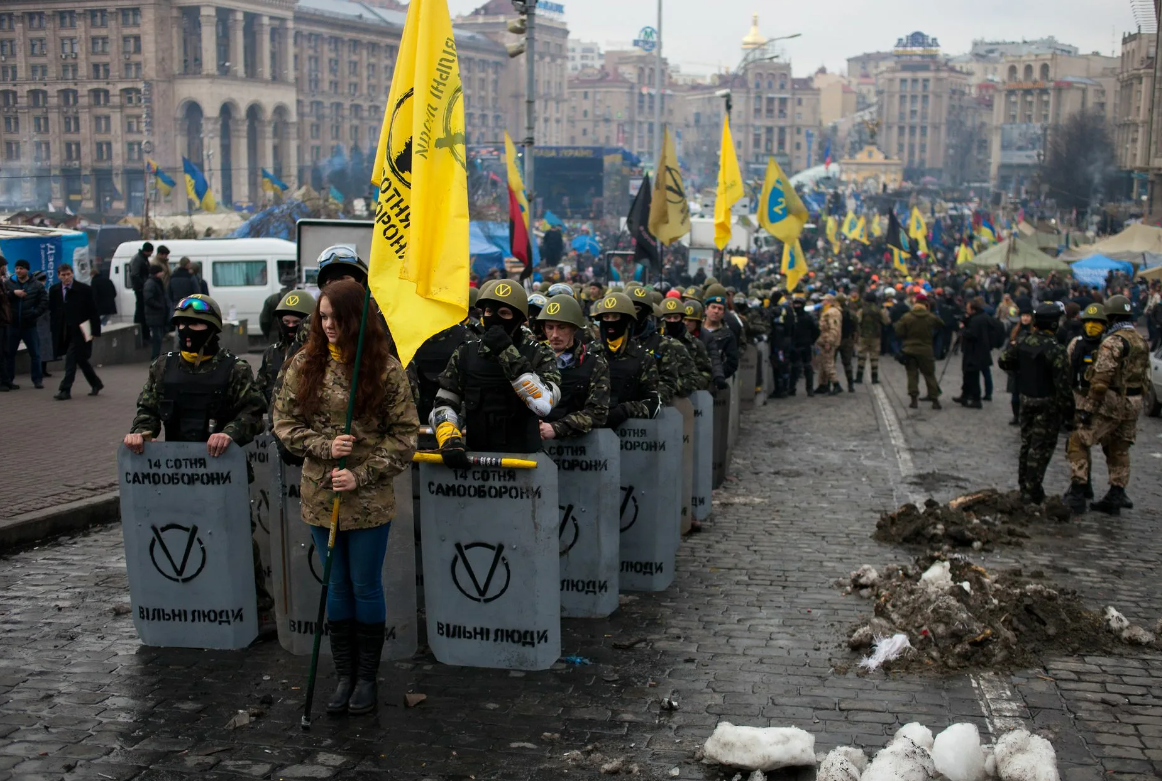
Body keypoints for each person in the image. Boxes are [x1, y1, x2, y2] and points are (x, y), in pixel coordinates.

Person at [271, 280, 418, 716]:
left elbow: (405, 436)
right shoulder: (304, 364)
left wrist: (363, 473)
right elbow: (283, 421)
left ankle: (367, 679)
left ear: (356, 319)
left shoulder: (385, 369)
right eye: (323, 316)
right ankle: (343, 675)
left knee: (365, 585)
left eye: (337, 317)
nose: (328, 324)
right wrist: (322, 446)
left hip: (368, 499)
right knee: (335, 584)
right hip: (322, 495)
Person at [431, 281, 560, 459]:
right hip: (476, 460)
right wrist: (449, 438)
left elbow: (544, 405)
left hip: (527, 463)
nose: (495, 319)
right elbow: (444, 401)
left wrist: (507, 352)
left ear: (520, 319)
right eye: (489, 312)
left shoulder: (539, 353)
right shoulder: (466, 353)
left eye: (504, 313)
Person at [1064, 295, 1150, 515]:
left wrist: (1088, 410)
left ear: (1110, 317)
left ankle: (1078, 491)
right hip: (1134, 400)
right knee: (1119, 447)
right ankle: (1116, 492)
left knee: (1078, 440)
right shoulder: (1139, 340)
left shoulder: (1113, 342)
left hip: (1113, 401)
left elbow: (1101, 382)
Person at [997, 303, 1070, 504]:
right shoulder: (1056, 350)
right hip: (1047, 403)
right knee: (1041, 447)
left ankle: (1024, 485)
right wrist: (1069, 413)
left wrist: (1021, 370)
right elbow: (1063, 385)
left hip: (1026, 399)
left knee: (1026, 444)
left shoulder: (1023, 342)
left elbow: (1004, 361)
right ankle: (1033, 489)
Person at [538, 294, 610, 439]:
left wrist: (557, 428)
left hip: (579, 449)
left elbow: (598, 412)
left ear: (574, 328)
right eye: (549, 327)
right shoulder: (534, 359)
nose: (555, 334)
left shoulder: (595, 363)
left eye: (562, 327)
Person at [1060, 303, 1107, 507]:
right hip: (1079, 399)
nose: (1093, 327)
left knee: (1078, 445)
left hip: (1101, 404)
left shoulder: (1109, 346)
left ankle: (1079, 488)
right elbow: (1067, 370)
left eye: (1097, 323)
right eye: (1090, 322)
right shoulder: (1076, 345)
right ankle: (1084, 485)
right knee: (1081, 442)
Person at [592, 292, 660, 427]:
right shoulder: (589, 352)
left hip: (631, 434)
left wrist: (625, 410)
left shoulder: (643, 358)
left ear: (628, 321)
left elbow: (653, 403)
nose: (610, 321)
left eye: (615, 317)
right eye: (606, 317)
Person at [625, 283, 696, 405]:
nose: (635, 314)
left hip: (655, 412)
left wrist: (648, 397)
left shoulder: (664, 345)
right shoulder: (613, 343)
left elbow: (678, 381)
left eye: (638, 309)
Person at [48, 263, 103, 400]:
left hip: (80, 330)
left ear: (72, 274)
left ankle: (65, 389)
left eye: (68, 274)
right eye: (63, 275)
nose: (66, 277)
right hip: (64, 330)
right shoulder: (54, 290)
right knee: (81, 359)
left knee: (71, 359)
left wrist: (95, 331)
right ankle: (96, 383)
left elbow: (93, 311)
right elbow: (53, 311)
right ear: (58, 276)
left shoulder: (84, 289)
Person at [256, 289, 314, 407]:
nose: (290, 327)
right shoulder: (272, 353)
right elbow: (258, 392)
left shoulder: (317, 354)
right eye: (286, 322)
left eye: (296, 322)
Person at [2, 259, 48, 389]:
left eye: (21, 268)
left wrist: (35, 313)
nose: (18, 271)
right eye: (16, 268)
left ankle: (37, 380)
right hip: (13, 325)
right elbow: (3, 297)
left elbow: (44, 302)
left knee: (35, 354)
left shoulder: (36, 285)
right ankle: (9, 380)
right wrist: (13, 295)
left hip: (29, 325)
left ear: (27, 269)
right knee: (10, 354)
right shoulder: (8, 284)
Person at [894, 292, 943, 410]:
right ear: (926, 304)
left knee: (912, 374)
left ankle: (913, 399)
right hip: (926, 349)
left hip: (909, 349)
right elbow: (941, 325)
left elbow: (898, 332)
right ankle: (935, 400)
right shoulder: (930, 317)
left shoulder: (907, 317)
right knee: (929, 375)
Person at [662, 298, 712, 391]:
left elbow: (706, 372)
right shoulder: (657, 341)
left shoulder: (695, 344)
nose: (672, 321)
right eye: (668, 318)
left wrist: (690, 385)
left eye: (676, 317)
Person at [952, 297, 991, 409]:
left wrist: (963, 330)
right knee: (968, 375)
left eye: (968, 308)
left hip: (974, 352)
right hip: (976, 351)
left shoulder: (977, 320)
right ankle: (965, 395)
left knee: (972, 375)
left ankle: (976, 399)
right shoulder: (980, 317)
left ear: (973, 310)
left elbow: (972, 334)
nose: (966, 310)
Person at [701, 284, 739, 386]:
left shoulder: (727, 335)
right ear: (706, 309)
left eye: (720, 309)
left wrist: (717, 375)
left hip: (717, 382)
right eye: (713, 307)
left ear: (723, 313)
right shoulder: (696, 330)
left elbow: (732, 363)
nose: (716, 311)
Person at [1005, 302, 1034, 425]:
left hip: (1028, 369)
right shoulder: (1015, 331)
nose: (1025, 318)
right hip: (1015, 369)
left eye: (1027, 316)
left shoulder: (1034, 332)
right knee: (1015, 396)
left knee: (1026, 396)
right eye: (1023, 316)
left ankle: (1025, 417)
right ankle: (1016, 415)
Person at [787, 295, 819, 396]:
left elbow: (816, 331)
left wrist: (811, 341)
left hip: (805, 345)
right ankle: (792, 389)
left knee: (807, 367)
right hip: (794, 345)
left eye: (798, 304)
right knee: (795, 368)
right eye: (795, 304)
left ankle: (809, 389)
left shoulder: (808, 317)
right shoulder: (791, 316)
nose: (797, 306)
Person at [855, 291, 888, 385]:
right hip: (876, 336)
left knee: (861, 356)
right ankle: (874, 378)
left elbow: (858, 320)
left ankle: (859, 377)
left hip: (863, 335)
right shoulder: (879, 310)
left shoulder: (862, 310)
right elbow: (886, 321)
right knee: (874, 358)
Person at [815, 293, 843, 396]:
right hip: (823, 340)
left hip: (828, 341)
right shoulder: (827, 311)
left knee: (828, 363)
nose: (822, 302)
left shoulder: (833, 312)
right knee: (822, 364)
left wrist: (829, 342)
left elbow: (834, 329)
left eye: (824, 300)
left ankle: (836, 384)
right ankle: (823, 385)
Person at [142, 264, 170, 359]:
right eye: (161, 271)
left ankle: (156, 355)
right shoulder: (151, 283)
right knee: (157, 337)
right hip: (154, 314)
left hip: (157, 314)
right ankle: (155, 356)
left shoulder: (157, 282)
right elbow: (148, 298)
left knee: (158, 337)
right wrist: (160, 306)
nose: (163, 273)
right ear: (157, 273)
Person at [129, 241, 154, 341]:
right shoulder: (138, 259)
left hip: (141, 287)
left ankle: (145, 334)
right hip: (140, 289)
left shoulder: (142, 258)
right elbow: (135, 275)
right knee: (140, 311)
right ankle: (142, 334)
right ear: (147, 251)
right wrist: (144, 285)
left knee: (143, 311)